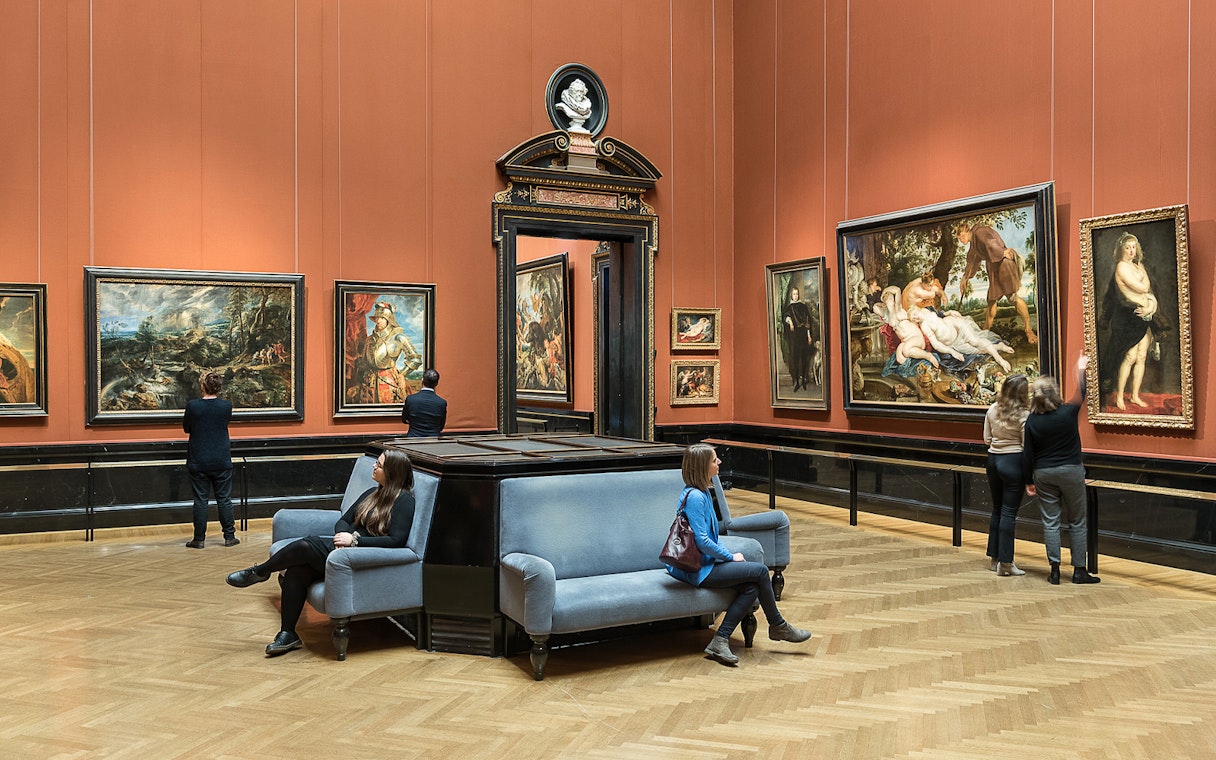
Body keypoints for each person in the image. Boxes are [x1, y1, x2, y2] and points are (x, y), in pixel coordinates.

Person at [225, 448, 417, 656]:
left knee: (306, 545)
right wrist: (342, 537)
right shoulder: (372, 493)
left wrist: (354, 541)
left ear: (392, 472)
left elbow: (396, 541)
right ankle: (288, 634)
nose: (374, 466)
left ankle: (261, 571)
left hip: (362, 558)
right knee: (297, 571)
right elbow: (344, 520)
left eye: (379, 465)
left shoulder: (404, 501)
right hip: (342, 552)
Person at [665, 443, 812, 666]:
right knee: (761, 571)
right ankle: (778, 626)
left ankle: (721, 639)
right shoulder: (695, 497)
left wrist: (725, 555)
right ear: (702, 466)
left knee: (751, 587)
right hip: (696, 569)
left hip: (706, 563)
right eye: (715, 460)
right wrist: (730, 556)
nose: (719, 463)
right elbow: (702, 542)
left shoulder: (703, 492)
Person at [1023, 355, 1100, 585]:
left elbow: (1028, 454)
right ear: (1054, 394)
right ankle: (1079, 570)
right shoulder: (1067, 413)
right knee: (1077, 520)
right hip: (1071, 471)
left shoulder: (1032, 422)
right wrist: (1080, 368)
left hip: (1044, 473)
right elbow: (1081, 392)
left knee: (1050, 521)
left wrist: (1029, 481)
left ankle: (1054, 571)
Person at [1098, 232, 1166, 410]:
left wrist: (1150, 306)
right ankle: (1120, 396)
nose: (1131, 251)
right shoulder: (1121, 267)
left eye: (1133, 247)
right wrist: (1146, 295)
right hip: (1129, 318)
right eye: (1127, 247)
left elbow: (1148, 291)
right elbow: (1143, 287)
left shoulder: (1139, 266)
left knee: (1142, 356)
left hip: (1145, 317)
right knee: (1129, 357)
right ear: (1121, 249)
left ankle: (1134, 395)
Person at [958, 223, 1038, 344]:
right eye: (959, 239)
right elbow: (972, 261)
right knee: (991, 300)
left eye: (961, 237)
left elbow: (991, 243)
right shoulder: (974, 245)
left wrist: (1002, 253)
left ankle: (1028, 330)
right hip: (993, 268)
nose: (961, 240)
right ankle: (984, 334)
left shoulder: (979, 233)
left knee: (1012, 298)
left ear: (967, 232)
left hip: (1003, 265)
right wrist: (965, 278)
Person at [183, 371, 236, 549]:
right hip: (221, 458)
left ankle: (199, 539)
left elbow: (186, 428)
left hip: (199, 459)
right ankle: (229, 537)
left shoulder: (193, 406)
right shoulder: (226, 406)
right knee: (224, 499)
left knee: (200, 500)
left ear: (203, 386)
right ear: (219, 387)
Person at [984, 374, 1030, 576]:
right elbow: (1026, 445)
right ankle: (1006, 563)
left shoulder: (992, 409)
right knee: (1009, 513)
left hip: (993, 460)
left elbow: (986, 439)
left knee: (996, 509)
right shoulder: (1024, 415)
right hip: (1012, 462)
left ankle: (994, 558)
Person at [363, 302, 421, 404]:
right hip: (369, 383)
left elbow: (415, 359)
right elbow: (364, 362)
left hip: (390, 382)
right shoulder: (369, 340)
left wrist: (402, 375)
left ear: (388, 319)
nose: (378, 321)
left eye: (382, 318)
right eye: (377, 318)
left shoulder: (398, 337)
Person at [782, 286, 814, 391]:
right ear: (791, 295)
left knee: (804, 358)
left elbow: (808, 322)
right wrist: (790, 321)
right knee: (795, 358)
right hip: (794, 336)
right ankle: (796, 381)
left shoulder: (803, 307)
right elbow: (785, 317)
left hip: (803, 334)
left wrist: (809, 336)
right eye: (794, 294)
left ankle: (804, 379)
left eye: (796, 294)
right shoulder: (789, 308)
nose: (795, 296)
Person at [401, 368, 447, 437]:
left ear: (422, 380)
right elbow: (441, 426)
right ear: (436, 383)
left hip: (413, 441)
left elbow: (404, 419)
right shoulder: (442, 403)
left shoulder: (410, 399)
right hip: (434, 442)